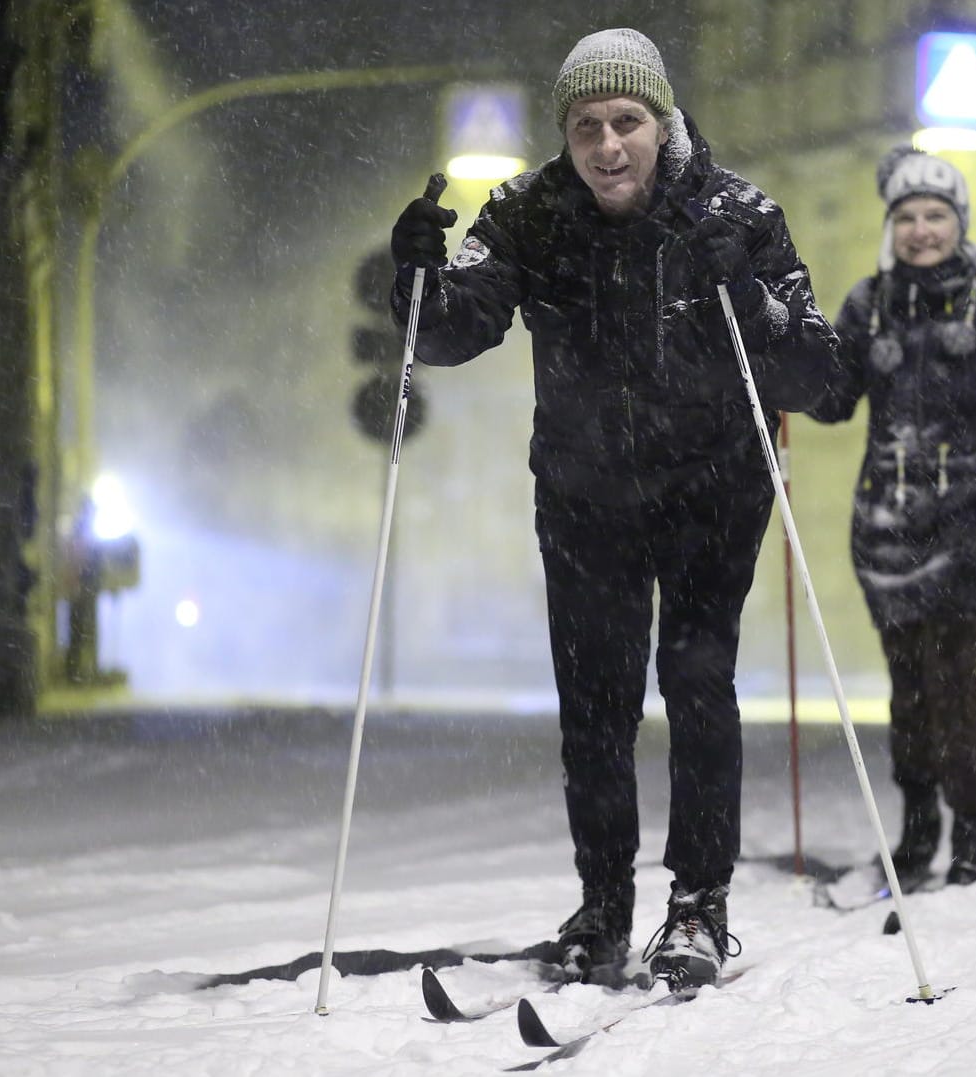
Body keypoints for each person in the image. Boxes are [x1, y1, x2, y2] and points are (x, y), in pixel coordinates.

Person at [386, 28, 840, 990]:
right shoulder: (528, 212)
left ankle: (700, 907)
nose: (606, 146)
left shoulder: (737, 212)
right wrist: (417, 276)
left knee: (695, 674)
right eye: (586, 125)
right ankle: (603, 906)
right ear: (566, 133)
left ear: (661, 120)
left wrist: (746, 292)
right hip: (586, 491)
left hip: (712, 487)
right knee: (595, 702)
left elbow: (817, 372)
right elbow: (453, 330)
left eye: (626, 121)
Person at [809, 147, 976, 891]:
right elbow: (832, 402)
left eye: (936, 216)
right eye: (908, 217)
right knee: (908, 681)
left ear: (960, 222)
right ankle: (917, 829)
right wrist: (789, 353)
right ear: (893, 225)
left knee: (950, 671)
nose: (922, 230)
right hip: (888, 518)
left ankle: (974, 837)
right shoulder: (869, 302)